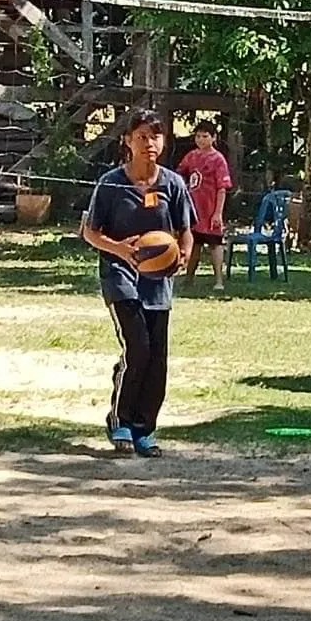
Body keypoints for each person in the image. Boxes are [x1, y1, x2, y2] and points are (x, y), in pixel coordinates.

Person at [80, 109, 195, 458]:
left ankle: (146, 429)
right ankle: (121, 422)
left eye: (155, 136)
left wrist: (184, 255)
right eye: (142, 136)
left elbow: (186, 230)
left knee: (157, 356)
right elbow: (90, 232)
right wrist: (121, 250)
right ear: (127, 141)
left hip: (157, 282)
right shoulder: (112, 182)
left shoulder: (172, 184)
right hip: (120, 276)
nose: (149, 143)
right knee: (138, 347)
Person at [178, 120, 232, 292]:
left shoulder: (218, 160)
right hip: (194, 210)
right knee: (193, 244)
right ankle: (188, 278)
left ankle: (218, 280)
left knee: (215, 244)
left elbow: (222, 188)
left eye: (205, 136)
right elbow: (180, 173)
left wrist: (218, 213)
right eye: (198, 136)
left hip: (210, 209)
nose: (201, 140)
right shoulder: (192, 156)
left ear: (213, 138)